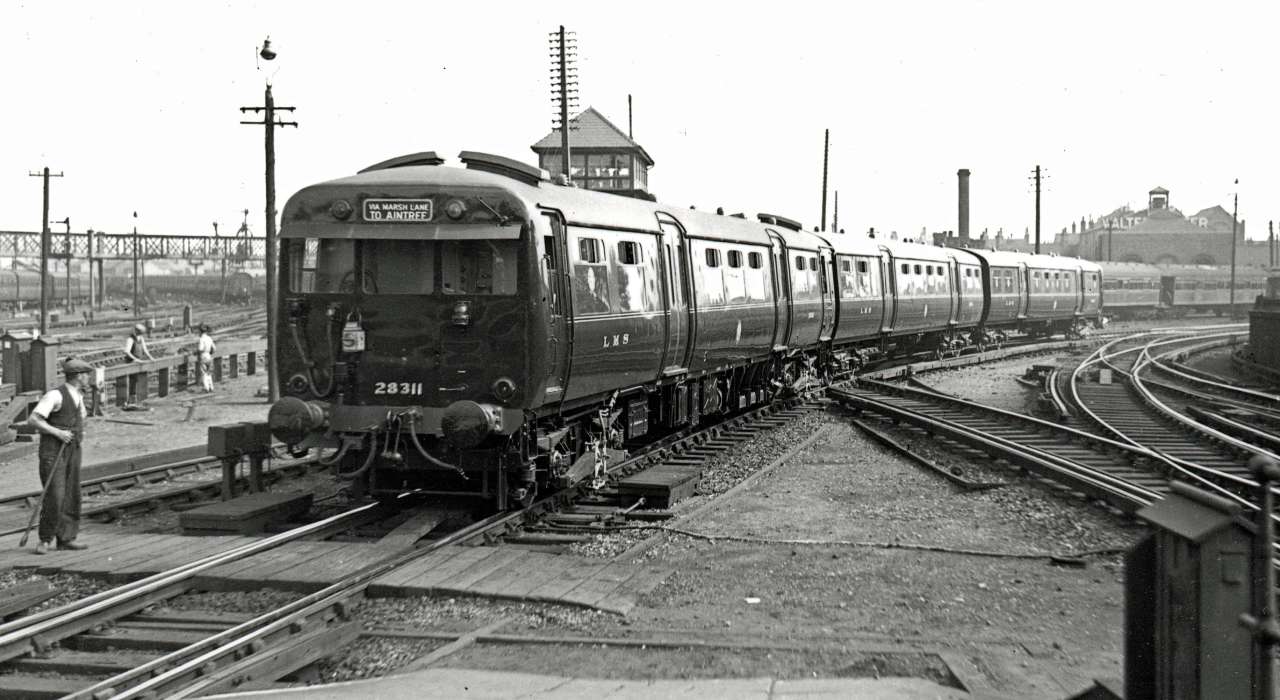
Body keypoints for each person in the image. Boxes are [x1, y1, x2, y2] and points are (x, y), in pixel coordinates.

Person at [28, 358, 93, 554]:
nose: (88, 378)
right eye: (86, 375)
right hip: (53, 450)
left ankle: (66, 538)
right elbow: (33, 419)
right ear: (78, 376)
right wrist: (58, 432)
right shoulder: (55, 395)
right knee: (55, 495)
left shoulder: (79, 396)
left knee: (72, 494)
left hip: (73, 449)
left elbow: (81, 420)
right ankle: (45, 540)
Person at [123, 323, 155, 406]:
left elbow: (145, 349)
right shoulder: (130, 339)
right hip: (131, 362)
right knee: (132, 380)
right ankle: (131, 399)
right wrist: (135, 359)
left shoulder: (141, 338)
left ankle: (139, 398)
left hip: (139, 361)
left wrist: (150, 357)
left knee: (139, 379)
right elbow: (127, 351)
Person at [196, 323, 216, 393]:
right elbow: (214, 348)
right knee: (209, 372)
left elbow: (200, 348)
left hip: (203, 356)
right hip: (209, 356)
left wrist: (196, 352)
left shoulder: (201, 339)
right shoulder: (209, 338)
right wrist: (210, 353)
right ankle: (211, 387)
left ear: (200, 331)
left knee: (203, 372)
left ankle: (206, 388)